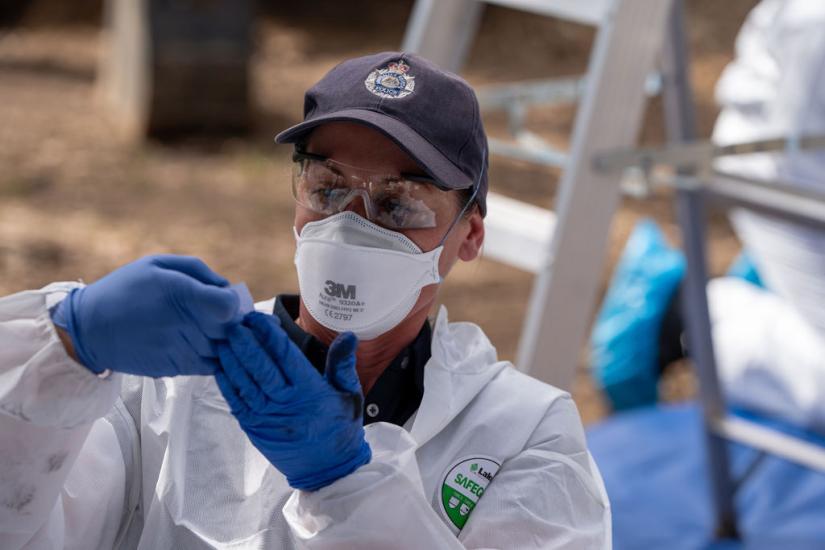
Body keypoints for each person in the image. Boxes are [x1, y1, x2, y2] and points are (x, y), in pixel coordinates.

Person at [0, 52, 610, 549]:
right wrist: (57, 352)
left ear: (469, 235)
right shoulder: (168, 387)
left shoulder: (519, 435)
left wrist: (349, 488)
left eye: (398, 204)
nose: (349, 225)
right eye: (326, 189)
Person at [591, 0, 825, 431]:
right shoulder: (814, 25)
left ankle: (772, 299)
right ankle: (688, 315)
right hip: (786, 174)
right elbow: (794, 154)